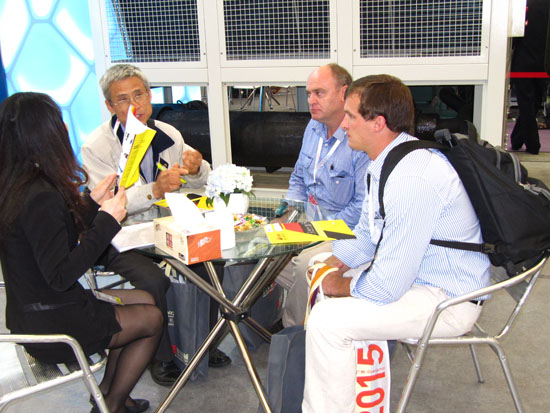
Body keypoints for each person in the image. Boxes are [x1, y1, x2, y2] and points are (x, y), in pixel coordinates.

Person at [301, 74, 491, 412]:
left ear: (378, 123)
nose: (343, 125)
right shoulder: (389, 161)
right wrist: (334, 264)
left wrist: (336, 285)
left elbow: (386, 285)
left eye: (351, 117)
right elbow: (367, 235)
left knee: (327, 321)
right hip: (419, 277)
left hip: (448, 299)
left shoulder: (412, 176)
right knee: (318, 266)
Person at [0, 92, 162, 413]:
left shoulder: (17, 186)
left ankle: (109, 392)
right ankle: (111, 404)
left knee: (143, 297)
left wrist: (90, 204)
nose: (64, 127)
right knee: (151, 318)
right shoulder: (40, 195)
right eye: (57, 122)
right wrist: (107, 221)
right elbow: (61, 275)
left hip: (33, 310)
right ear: (44, 134)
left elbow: (50, 241)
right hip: (53, 323)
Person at [81, 64, 230, 386]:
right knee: (154, 280)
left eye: (139, 95)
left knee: (210, 260)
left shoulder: (168, 133)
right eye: (123, 99)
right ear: (109, 105)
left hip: (165, 227)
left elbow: (196, 180)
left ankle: (203, 342)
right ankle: (159, 356)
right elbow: (108, 204)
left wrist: (197, 168)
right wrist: (155, 190)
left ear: (150, 96)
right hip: (117, 236)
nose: (134, 105)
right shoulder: (97, 146)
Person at [279, 63, 369, 327]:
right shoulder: (313, 127)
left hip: (343, 229)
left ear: (343, 93)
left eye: (319, 93)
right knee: (263, 243)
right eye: (309, 93)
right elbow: (298, 178)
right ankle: (257, 321)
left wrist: (317, 230)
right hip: (309, 219)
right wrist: (290, 211)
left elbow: (361, 207)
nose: (311, 100)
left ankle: (294, 330)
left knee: (304, 265)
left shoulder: (359, 137)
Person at [510, 0, 550, 154]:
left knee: (526, 103)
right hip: (543, 63)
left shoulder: (522, 5)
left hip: (523, 61)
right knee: (534, 103)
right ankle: (523, 141)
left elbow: (515, 36)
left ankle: (524, 141)